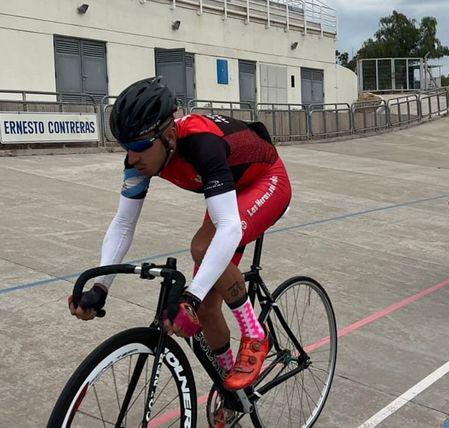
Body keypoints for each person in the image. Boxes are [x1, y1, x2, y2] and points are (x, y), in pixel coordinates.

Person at [68, 77, 291, 394]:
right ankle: (234, 392)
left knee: (202, 247)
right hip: (227, 191)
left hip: (266, 181)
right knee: (205, 310)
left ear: (170, 136)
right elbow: (123, 224)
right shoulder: (139, 161)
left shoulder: (202, 142)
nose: (132, 158)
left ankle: (255, 333)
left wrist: (188, 296)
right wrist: (100, 287)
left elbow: (227, 225)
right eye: (126, 148)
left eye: (140, 147)